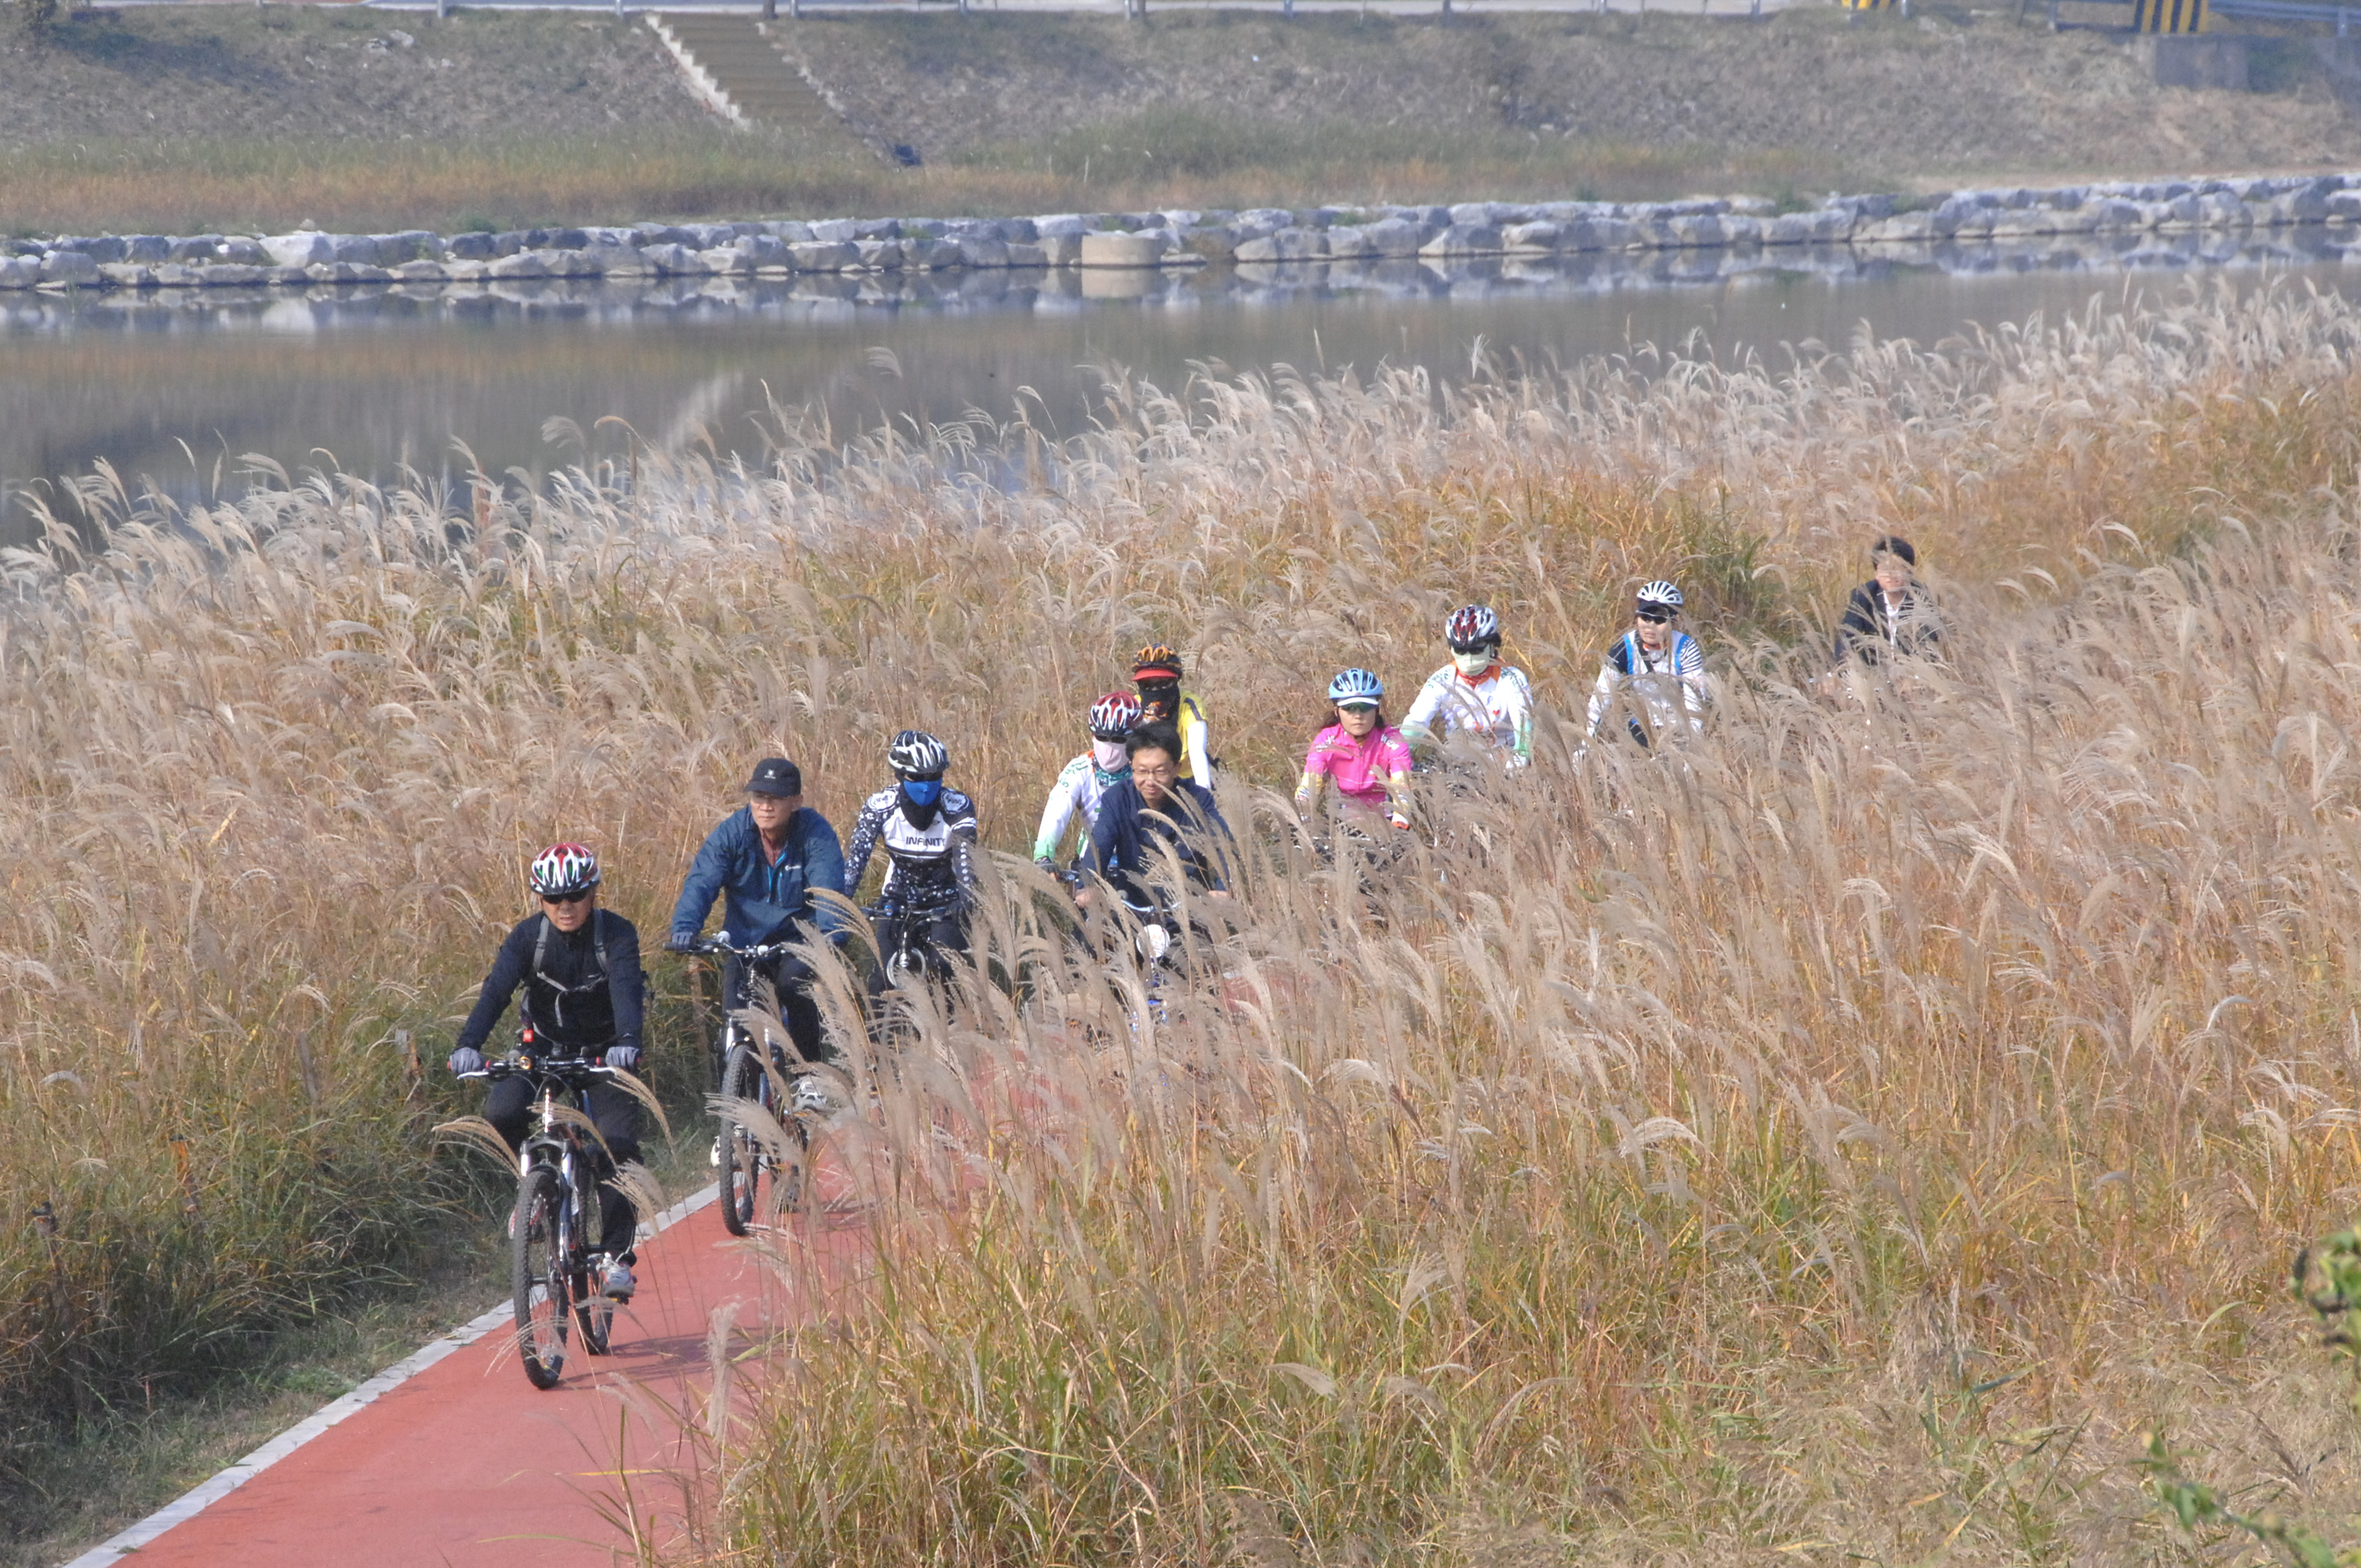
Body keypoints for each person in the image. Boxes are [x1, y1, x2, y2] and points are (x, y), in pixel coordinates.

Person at [448, 843, 648, 1302]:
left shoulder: (616, 935)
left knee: (618, 1146)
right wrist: (468, 1047)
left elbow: (625, 991)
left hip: (603, 1054)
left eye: (575, 895)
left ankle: (616, 1257)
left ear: (592, 892)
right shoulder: (527, 939)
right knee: (502, 1111)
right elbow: (496, 992)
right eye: (553, 898)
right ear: (539, 899)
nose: (565, 906)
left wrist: (628, 1045)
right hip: (541, 1050)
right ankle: (534, 1191)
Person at [667, 757, 846, 1115]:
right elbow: (703, 881)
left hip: (797, 939)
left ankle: (808, 1076)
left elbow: (828, 884)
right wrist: (685, 929)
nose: (765, 806)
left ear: (795, 801)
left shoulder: (814, 832)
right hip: (744, 941)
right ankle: (736, 1117)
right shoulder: (733, 833)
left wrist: (830, 934)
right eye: (758, 797)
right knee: (734, 1026)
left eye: (776, 798)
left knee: (795, 984)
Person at [844, 730, 979, 990]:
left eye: (935, 777)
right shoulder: (880, 806)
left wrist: (966, 900)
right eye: (917, 778)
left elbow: (967, 862)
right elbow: (855, 864)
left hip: (946, 901)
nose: (927, 785)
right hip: (897, 898)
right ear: (899, 775)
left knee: (945, 973)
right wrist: (842, 904)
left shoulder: (957, 806)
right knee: (879, 980)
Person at [1084, 720, 1233, 915]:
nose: (1151, 781)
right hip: (1132, 906)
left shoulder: (1197, 799)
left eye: (1160, 771)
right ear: (1131, 767)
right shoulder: (1117, 798)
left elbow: (1224, 844)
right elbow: (1100, 844)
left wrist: (1224, 889)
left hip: (1190, 908)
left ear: (1176, 768)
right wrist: (1088, 885)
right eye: (1142, 771)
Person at [1401, 605, 1534, 767]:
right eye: (1460, 650)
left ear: (1492, 646)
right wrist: (1398, 759)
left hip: (1505, 758)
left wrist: (1522, 756)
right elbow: (1416, 722)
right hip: (1459, 761)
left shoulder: (1512, 678)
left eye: (1476, 650)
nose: (1469, 658)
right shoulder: (1441, 680)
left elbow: (1523, 721)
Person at [1585, 580, 1708, 749]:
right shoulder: (1624, 648)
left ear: (1673, 621)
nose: (1650, 625)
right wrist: (1586, 743)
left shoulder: (1686, 648)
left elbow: (1695, 704)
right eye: (1645, 617)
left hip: (1678, 731)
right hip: (1641, 728)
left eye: (1659, 620)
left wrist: (1692, 748)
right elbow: (1601, 698)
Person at [1034, 692, 1141, 873]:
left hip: (1139, 862)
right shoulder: (1079, 768)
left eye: (1119, 740)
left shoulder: (1145, 770)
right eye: (1102, 737)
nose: (1109, 746)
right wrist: (1043, 856)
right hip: (1091, 860)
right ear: (1092, 734)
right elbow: (1057, 812)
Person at [1296, 668, 1413, 831]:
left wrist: (1400, 822)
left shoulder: (1393, 741)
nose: (1358, 715)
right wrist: (1301, 818)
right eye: (1350, 708)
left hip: (1385, 821)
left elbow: (1402, 787)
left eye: (1365, 707)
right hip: (1341, 821)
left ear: (1376, 710)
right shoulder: (1326, 740)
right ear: (1337, 712)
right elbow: (1309, 786)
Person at [1834, 535, 1942, 665]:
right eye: (1884, 569)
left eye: (1896, 568)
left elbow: (1928, 644)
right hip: (1876, 672)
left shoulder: (1923, 597)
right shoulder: (1864, 596)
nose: (1890, 575)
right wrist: (1839, 670)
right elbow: (1847, 638)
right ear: (1877, 575)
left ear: (1909, 571)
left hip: (1913, 672)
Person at [1131, 645, 1214, 785]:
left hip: (1186, 781)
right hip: (1147, 782)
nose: (1155, 690)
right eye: (1147, 684)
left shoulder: (1189, 705)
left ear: (1176, 681)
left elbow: (1197, 754)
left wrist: (1204, 797)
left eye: (1163, 683)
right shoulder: (1132, 707)